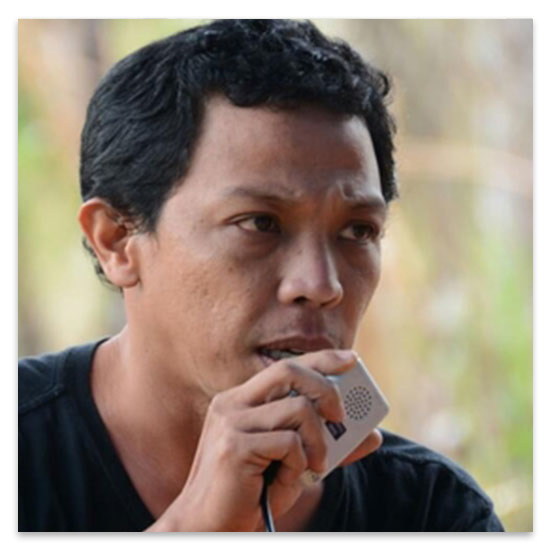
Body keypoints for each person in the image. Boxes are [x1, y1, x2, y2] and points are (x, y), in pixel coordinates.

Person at [18, 19, 504, 532]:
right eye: (260, 223)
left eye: (358, 231)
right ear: (117, 240)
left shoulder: (432, 513)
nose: (321, 286)